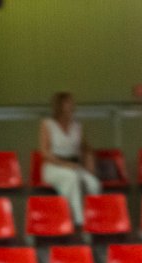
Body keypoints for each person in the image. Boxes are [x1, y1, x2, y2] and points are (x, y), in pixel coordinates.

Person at [38, 92, 103, 227]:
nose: (73, 105)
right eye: (69, 102)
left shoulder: (77, 125)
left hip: (74, 164)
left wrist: (89, 160)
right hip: (53, 166)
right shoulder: (47, 124)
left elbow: (85, 147)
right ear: (60, 105)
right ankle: (79, 221)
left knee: (94, 184)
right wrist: (63, 164)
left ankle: (94, 217)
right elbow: (44, 151)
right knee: (72, 178)